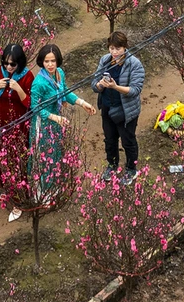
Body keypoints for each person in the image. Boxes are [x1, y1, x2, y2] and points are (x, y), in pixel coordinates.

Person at [24, 44, 95, 190]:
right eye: (46, 61)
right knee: (43, 155)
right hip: (42, 123)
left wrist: (82, 103)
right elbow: (35, 107)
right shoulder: (39, 83)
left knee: (54, 152)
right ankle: (41, 190)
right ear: (41, 62)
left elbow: (65, 92)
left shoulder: (59, 73)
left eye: (53, 61)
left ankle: (52, 184)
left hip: (56, 120)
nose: (50, 65)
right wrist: (54, 117)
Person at [0, 43, 34, 219]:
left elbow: (31, 104)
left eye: (13, 64)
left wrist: (18, 89)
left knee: (18, 159)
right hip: (2, 122)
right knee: (3, 158)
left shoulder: (27, 76)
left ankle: (19, 199)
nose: (9, 67)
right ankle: (8, 189)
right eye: (6, 63)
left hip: (19, 125)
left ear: (20, 63)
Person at [90, 32, 147, 182]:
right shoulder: (105, 60)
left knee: (128, 140)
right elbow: (94, 84)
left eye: (118, 49)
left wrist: (115, 87)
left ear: (125, 47)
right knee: (110, 139)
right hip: (107, 107)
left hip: (126, 110)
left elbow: (135, 90)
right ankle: (112, 165)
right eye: (111, 48)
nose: (114, 53)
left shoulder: (134, 64)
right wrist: (100, 85)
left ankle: (131, 169)